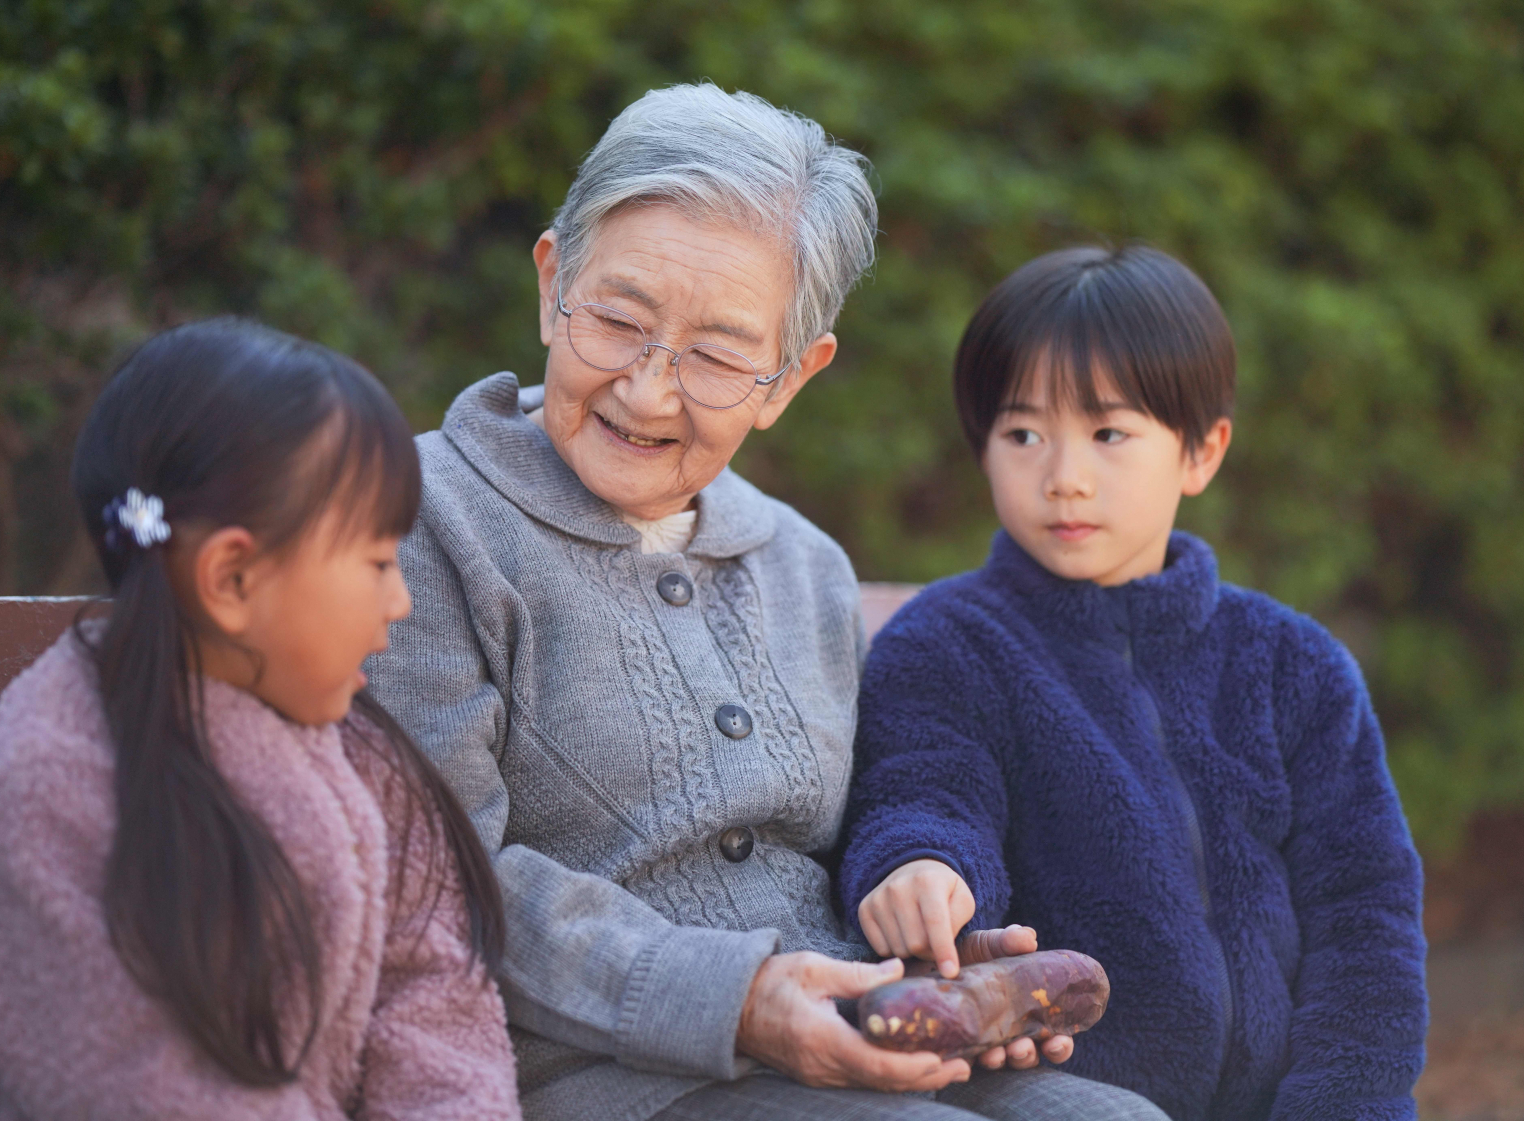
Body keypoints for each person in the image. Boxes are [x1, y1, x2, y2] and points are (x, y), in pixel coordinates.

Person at [363, 84, 1168, 1121]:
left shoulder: (804, 566)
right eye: (617, 318)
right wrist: (741, 1000)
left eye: (715, 354)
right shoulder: (423, 520)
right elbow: (435, 876)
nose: (649, 391)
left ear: (790, 375)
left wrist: (929, 959)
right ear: (552, 281)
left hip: (838, 1029)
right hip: (596, 1073)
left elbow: (831, 860)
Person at [839, 245, 1430, 1120]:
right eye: (1023, 434)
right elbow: (926, 789)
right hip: (1067, 1090)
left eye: (1109, 433)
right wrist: (920, 864)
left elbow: (1366, 914)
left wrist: (1347, 1104)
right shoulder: (949, 645)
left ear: (1201, 451)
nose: (1063, 476)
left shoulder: (1293, 666)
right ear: (983, 450)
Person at [0, 319, 521, 1120]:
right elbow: (147, 1088)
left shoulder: (354, 741)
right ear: (231, 577)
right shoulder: (53, 785)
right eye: (377, 563)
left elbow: (432, 990)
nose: (400, 602)